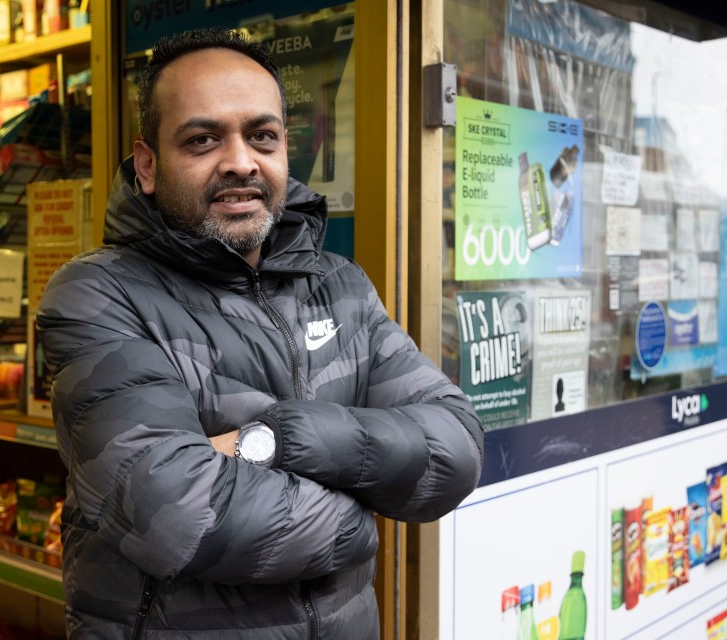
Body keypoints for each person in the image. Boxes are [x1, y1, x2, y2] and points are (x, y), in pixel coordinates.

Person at [36, 27, 484, 640]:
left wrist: (270, 440)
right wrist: (362, 513)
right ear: (147, 164)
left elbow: (455, 448)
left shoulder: (340, 286)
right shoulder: (98, 294)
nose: (241, 161)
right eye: (203, 139)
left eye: (262, 135)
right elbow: (178, 515)